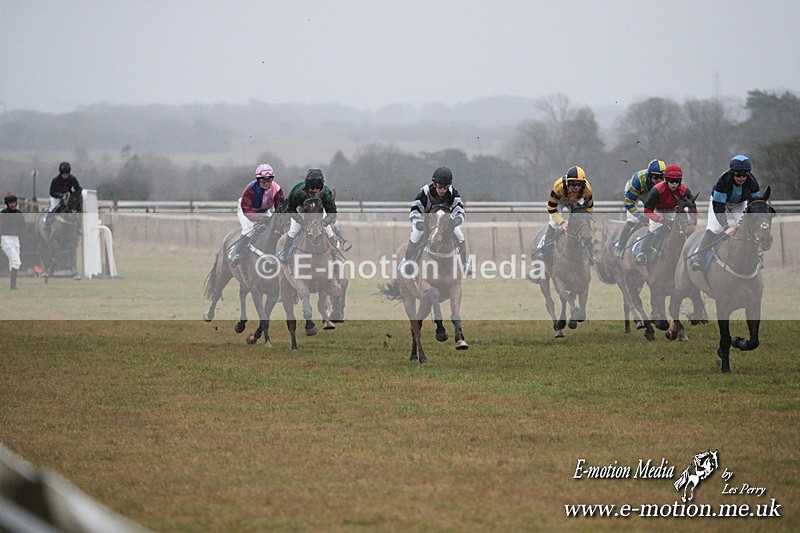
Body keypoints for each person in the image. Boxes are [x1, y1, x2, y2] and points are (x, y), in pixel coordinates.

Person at [688, 154, 762, 270]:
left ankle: (755, 256)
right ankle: (698, 257)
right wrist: (726, 227)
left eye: (744, 174)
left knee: (748, 227)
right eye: (738, 174)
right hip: (719, 204)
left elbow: (755, 204)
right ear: (732, 173)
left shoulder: (752, 182)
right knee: (714, 228)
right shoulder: (723, 181)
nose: (741, 178)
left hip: (739, 203)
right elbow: (719, 208)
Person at [399, 166, 468, 276]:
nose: (442, 190)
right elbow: (414, 211)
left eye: (445, 187)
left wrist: (457, 220)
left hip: (444, 222)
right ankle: (408, 261)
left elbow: (459, 210)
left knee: (460, 235)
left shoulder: (453, 193)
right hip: (425, 222)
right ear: (434, 184)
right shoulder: (425, 192)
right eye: (440, 187)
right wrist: (419, 223)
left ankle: (464, 264)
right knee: (416, 235)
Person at [536, 165, 596, 272]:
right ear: (568, 182)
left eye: (579, 185)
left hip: (576, 202)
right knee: (554, 223)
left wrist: (586, 221)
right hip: (560, 201)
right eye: (573, 184)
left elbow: (589, 208)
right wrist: (562, 223)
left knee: (583, 223)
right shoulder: (558, 186)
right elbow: (551, 208)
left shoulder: (587, 189)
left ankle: (591, 252)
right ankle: (545, 250)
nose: (576, 188)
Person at [636, 164, 697, 265]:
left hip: (673, 210)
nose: (674, 184)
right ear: (666, 180)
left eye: (677, 182)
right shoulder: (656, 190)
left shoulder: (684, 190)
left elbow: (693, 207)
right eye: (671, 181)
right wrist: (660, 219)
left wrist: (693, 220)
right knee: (654, 229)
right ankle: (642, 253)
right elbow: (647, 210)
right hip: (657, 210)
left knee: (684, 229)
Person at [276, 169, 337, 264]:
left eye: (318, 188)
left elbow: (332, 212)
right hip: (301, 211)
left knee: (329, 232)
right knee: (293, 231)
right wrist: (300, 220)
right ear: (307, 185)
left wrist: (324, 222)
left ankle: (334, 255)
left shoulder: (326, 192)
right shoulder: (297, 190)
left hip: (319, 212)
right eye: (312, 188)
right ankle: (284, 253)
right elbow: (291, 209)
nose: (315, 190)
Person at [229, 163, 285, 265]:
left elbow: (280, 208)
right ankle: (236, 254)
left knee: (275, 228)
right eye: (263, 180)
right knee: (249, 230)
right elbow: (246, 209)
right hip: (246, 210)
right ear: (258, 179)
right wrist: (259, 218)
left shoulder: (277, 189)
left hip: (264, 210)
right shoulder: (251, 188)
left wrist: (276, 218)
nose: (267, 183)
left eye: (269, 179)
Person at [614, 159, 666, 257]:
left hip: (651, 194)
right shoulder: (637, 181)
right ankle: (620, 246)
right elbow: (630, 203)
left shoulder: (665, 183)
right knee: (632, 220)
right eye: (655, 177)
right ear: (650, 175)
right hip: (636, 192)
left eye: (661, 177)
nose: (659, 180)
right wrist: (638, 215)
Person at [44, 161, 82, 231]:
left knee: (74, 210)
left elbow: (78, 189)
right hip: (56, 196)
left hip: (67, 195)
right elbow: (52, 192)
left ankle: (79, 228)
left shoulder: (72, 179)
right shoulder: (56, 180)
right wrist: (61, 196)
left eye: (67, 174)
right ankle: (48, 224)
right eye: (63, 174)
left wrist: (74, 195)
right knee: (53, 208)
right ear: (61, 173)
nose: (65, 175)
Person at [1, 193, 26, 290]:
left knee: (13, 263)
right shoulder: (3, 214)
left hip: (16, 240)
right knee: (16, 261)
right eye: (11, 202)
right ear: (7, 203)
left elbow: (23, 226)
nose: (13, 204)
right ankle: (13, 286)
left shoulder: (19, 214)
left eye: (14, 202)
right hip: (6, 240)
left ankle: (13, 286)